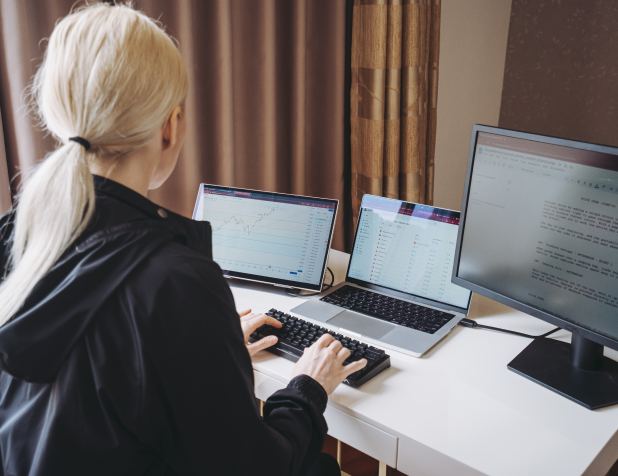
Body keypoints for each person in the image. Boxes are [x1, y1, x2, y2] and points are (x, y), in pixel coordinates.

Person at [0, 4, 366, 475]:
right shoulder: (176, 283)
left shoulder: (19, 238)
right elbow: (255, 467)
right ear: (171, 126)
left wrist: (210, 350)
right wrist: (306, 387)